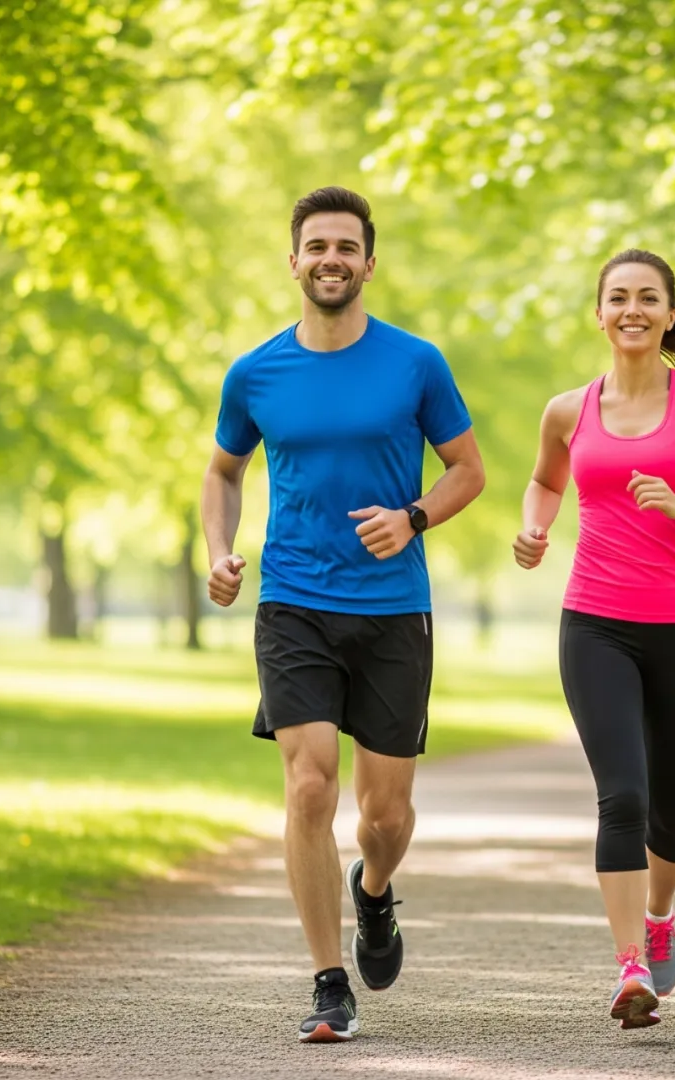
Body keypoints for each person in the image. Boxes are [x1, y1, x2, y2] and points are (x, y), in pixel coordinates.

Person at [201, 186, 485, 1043]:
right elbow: (222, 472)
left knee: (386, 815)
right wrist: (218, 550)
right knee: (309, 782)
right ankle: (329, 982)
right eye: (315, 246)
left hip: (395, 611)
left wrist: (416, 517)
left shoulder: (416, 363)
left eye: (345, 247)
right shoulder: (255, 373)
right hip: (294, 603)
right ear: (293, 261)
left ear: (369, 261)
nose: (330, 259)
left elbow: (468, 469)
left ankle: (374, 892)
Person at [511, 249, 675, 1029]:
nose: (633, 310)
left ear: (670, 313)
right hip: (595, 624)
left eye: (648, 298)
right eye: (618, 297)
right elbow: (546, 480)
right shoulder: (567, 409)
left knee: (672, 816)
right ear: (599, 312)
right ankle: (628, 966)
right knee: (622, 796)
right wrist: (534, 526)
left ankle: (658, 914)